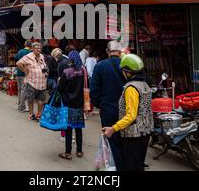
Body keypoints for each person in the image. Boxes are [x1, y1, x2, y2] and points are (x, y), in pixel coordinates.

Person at [102, 54, 153, 172]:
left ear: (128, 71)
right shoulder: (144, 84)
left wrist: (113, 129)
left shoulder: (131, 88)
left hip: (133, 135)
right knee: (138, 165)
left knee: (131, 167)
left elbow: (131, 115)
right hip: (145, 132)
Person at [90, 40, 126, 171]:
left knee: (112, 141)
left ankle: (116, 167)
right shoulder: (126, 65)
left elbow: (93, 91)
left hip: (108, 109)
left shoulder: (100, 66)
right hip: (127, 110)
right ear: (120, 51)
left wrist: (100, 105)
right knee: (126, 141)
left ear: (107, 51)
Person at [57, 51, 87, 160]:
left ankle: (68, 152)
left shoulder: (66, 72)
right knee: (78, 128)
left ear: (70, 59)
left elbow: (60, 88)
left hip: (67, 103)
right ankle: (79, 151)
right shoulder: (83, 71)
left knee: (68, 128)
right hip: (79, 103)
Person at [16, 42, 48, 122]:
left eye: (40, 48)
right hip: (32, 82)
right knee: (31, 99)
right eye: (37, 48)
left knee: (41, 99)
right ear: (33, 49)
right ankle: (31, 114)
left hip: (42, 82)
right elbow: (18, 63)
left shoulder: (42, 56)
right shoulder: (28, 56)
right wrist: (25, 71)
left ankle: (39, 114)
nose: (39, 50)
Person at [15, 40, 32, 112]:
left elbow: (16, 59)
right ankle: (21, 106)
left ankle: (20, 104)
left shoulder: (20, 51)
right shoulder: (30, 53)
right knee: (24, 90)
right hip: (25, 74)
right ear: (31, 45)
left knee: (19, 90)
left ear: (25, 45)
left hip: (18, 72)